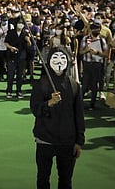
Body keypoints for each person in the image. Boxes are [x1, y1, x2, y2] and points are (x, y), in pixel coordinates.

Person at [30, 47, 85, 189]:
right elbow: (35, 109)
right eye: (55, 58)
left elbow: (79, 115)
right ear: (48, 62)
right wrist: (48, 103)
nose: (59, 61)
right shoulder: (40, 84)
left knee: (66, 180)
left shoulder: (74, 86)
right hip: (45, 140)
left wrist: (79, 141)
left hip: (68, 142)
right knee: (43, 178)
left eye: (63, 58)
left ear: (68, 61)